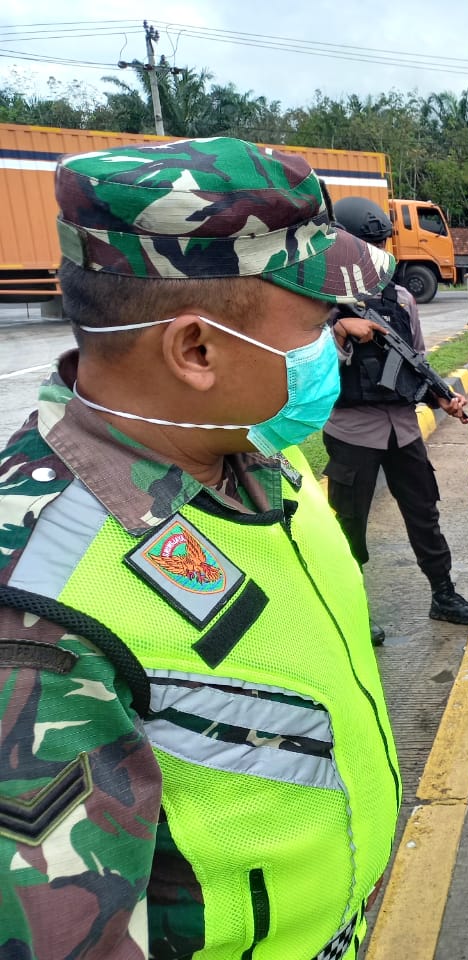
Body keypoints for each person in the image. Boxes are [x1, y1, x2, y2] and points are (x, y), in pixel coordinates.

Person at [0, 138, 402, 958]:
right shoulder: (40, 608)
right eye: (317, 326)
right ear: (196, 351)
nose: (337, 345)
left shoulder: (251, 453)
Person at [324, 196, 468, 642]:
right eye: (367, 245)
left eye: (380, 245)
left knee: (424, 512)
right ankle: (352, 611)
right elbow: (303, 361)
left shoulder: (400, 297)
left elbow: (415, 359)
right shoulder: (319, 301)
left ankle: (444, 595)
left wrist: (440, 398)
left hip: (403, 428)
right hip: (352, 430)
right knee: (348, 524)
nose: (376, 254)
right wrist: (339, 329)